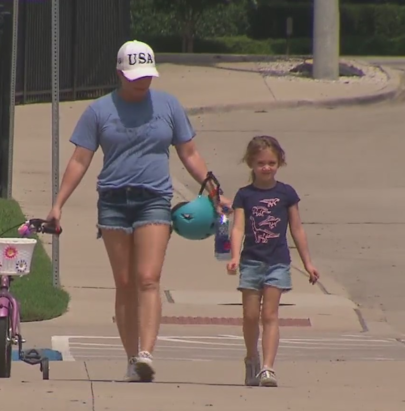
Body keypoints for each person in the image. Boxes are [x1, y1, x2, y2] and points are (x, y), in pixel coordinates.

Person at [45, 40, 232, 382]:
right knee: (125, 282)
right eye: (134, 75)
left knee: (148, 278)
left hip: (154, 199)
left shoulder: (168, 105)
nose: (142, 81)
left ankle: (146, 353)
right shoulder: (99, 111)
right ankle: (131, 358)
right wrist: (58, 205)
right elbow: (80, 160)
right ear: (119, 74)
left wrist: (214, 191)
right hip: (114, 202)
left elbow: (189, 153)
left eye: (146, 74)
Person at [226, 135, 320, 387]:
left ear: (280, 163)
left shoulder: (286, 193)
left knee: (270, 314)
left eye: (271, 163)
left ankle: (268, 368)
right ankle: (251, 358)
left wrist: (308, 263)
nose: (266, 168)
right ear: (251, 164)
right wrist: (234, 256)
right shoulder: (244, 195)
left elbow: (297, 230)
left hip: (278, 262)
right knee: (249, 315)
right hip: (251, 262)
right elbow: (237, 228)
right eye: (261, 163)